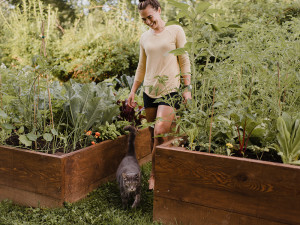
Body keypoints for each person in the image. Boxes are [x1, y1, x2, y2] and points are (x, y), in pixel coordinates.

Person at [127, 0, 191, 190]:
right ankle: (163, 167)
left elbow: (184, 61)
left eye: (150, 17)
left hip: (170, 90)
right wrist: (133, 91)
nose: (147, 21)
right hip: (149, 91)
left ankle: (154, 176)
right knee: (154, 136)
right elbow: (141, 66)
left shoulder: (175, 31)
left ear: (159, 11)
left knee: (161, 131)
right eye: (144, 19)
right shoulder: (144, 38)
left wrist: (187, 88)